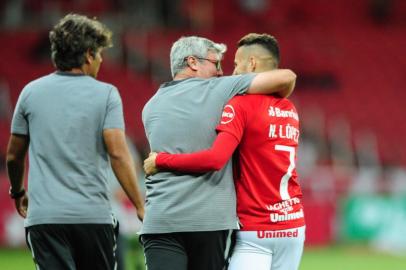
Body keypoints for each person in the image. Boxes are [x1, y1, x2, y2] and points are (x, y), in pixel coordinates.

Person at [144, 33, 305, 270]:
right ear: (192, 62)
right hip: (286, 222)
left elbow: (215, 158)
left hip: (168, 218)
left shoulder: (151, 105)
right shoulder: (284, 107)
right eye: (216, 64)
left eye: (233, 64)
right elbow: (288, 76)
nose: (223, 72)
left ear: (251, 64)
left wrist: (160, 160)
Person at [6, 14, 144, 270]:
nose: (102, 60)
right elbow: (117, 152)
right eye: (100, 53)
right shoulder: (106, 94)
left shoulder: (30, 92)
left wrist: (18, 191)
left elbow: (14, 156)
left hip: (46, 219)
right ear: (89, 54)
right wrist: (139, 204)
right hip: (93, 217)